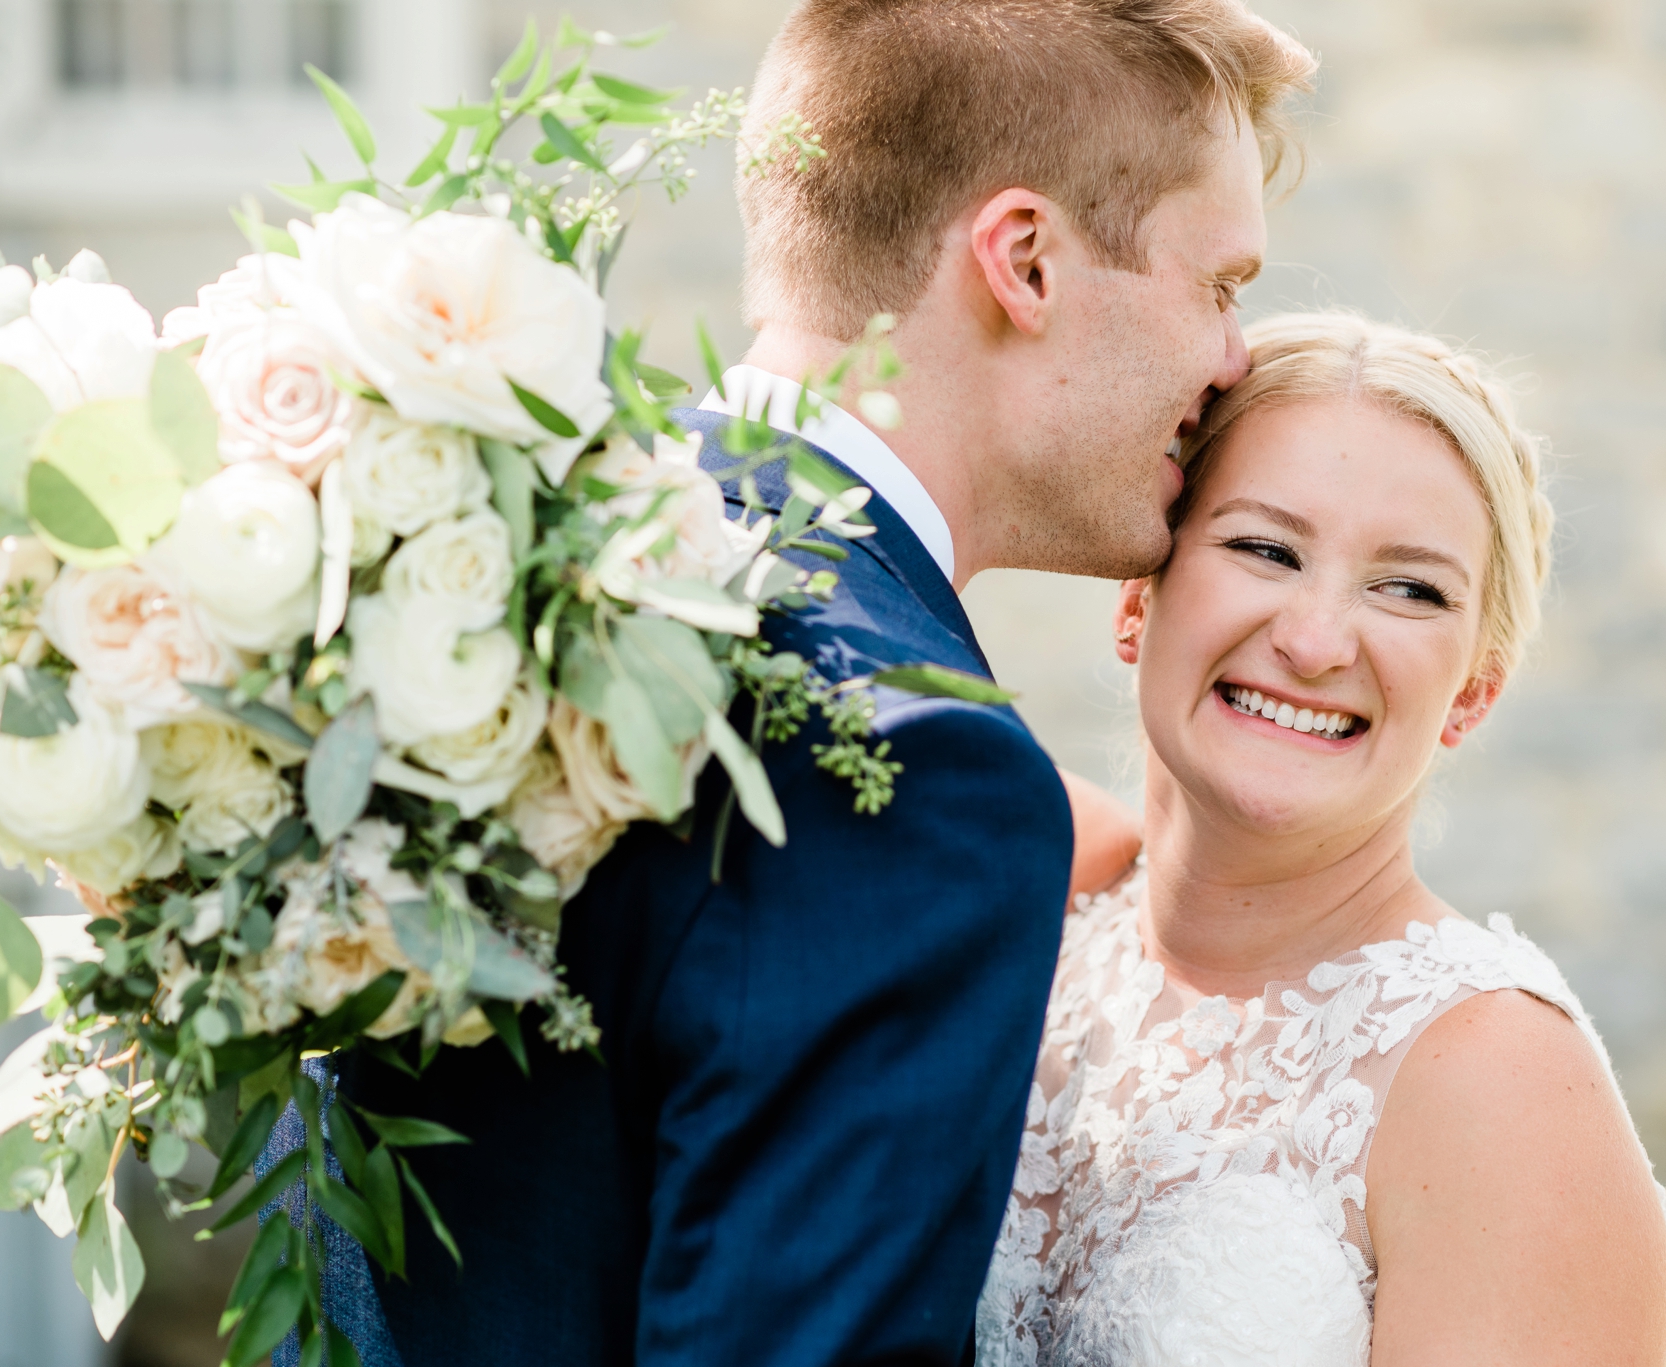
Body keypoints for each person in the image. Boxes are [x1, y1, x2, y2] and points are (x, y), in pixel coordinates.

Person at [312, 3, 1318, 1365]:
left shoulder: (494, 555)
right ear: (1024, 259)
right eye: (1220, 284)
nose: (1234, 354)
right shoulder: (924, 771)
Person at [977, 313, 1666, 1366]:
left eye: (1408, 588)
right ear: (1135, 599)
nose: (1312, 640)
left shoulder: (1500, 1083)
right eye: (1263, 547)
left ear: (1471, 695)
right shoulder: (1035, 887)